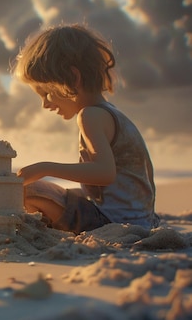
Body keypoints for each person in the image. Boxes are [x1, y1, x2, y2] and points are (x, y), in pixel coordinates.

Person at [11, 24, 160, 234]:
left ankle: (45, 231)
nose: (45, 104)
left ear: (72, 79)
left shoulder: (90, 115)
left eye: (46, 93)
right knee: (61, 195)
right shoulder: (110, 114)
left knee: (29, 191)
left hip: (112, 222)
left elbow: (104, 172)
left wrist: (45, 168)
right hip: (141, 220)